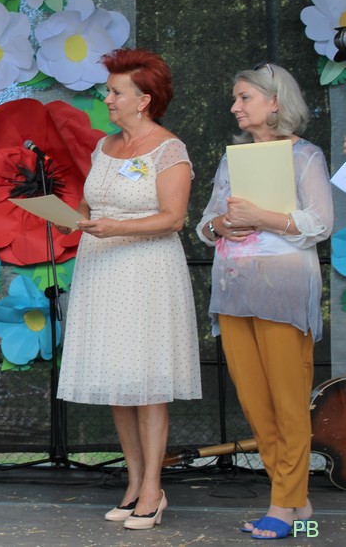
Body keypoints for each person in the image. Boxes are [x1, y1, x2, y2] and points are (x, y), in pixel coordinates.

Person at [55, 48, 201, 530]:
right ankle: (135, 482)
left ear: (143, 100)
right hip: (102, 271)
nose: (107, 99)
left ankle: (155, 489)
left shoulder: (169, 149)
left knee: (148, 383)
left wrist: (115, 227)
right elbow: (88, 206)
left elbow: (173, 218)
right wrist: (70, 219)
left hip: (147, 272)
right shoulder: (104, 146)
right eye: (108, 91)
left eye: (115, 92)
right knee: (118, 381)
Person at [196, 62, 332, 540]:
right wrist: (218, 225)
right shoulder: (232, 159)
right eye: (235, 98)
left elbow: (322, 223)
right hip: (234, 293)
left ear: (275, 102)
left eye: (244, 97)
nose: (235, 106)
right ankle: (295, 501)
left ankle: (282, 504)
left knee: (287, 402)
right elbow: (206, 223)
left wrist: (262, 216)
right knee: (255, 404)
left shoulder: (305, 156)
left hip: (284, 294)